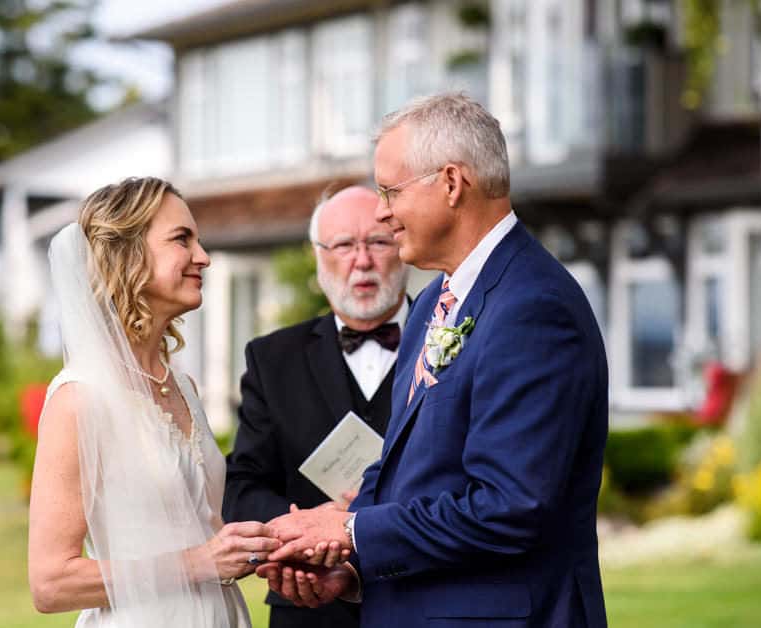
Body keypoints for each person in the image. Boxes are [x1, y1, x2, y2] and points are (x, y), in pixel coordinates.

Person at [260, 92, 609, 627]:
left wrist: (349, 531)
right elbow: (405, 473)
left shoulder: (533, 307)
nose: (381, 210)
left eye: (390, 190)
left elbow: (510, 508)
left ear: (451, 183)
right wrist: (352, 569)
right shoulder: (430, 304)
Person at [27, 177, 280, 627]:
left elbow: (204, 529)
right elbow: (50, 583)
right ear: (127, 257)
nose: (203, 257)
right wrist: (201, 562)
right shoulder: (79, 398)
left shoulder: (184, 387)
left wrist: (271, 546)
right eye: (182, 239)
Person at [222, 186, 409, 628]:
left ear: (403, 246)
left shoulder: (452, 343)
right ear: (318, 256)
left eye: (378, 242)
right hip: (307, 605)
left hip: (421, 598)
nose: (361, 261)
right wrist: (304, 532)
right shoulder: (271, 359)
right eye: (343, 245)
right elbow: (242, 486)